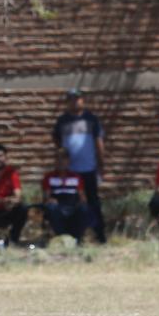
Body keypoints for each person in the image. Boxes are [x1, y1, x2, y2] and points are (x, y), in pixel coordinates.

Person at [52, 88, 107, 243]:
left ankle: (100, 235)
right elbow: (57, 141)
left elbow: (99, 143)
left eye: (78, 98)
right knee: (72, 205)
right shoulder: (62, 121)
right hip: (69, 172)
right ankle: (76, 237)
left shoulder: (92, 119)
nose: (75, 102)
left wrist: (101, 164)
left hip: (88, 169)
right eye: (71, 99)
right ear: (67, 102)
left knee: (93, 202)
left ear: (83, 100)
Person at [39, 147, 87, 244]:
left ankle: (77, 238)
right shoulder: (49, 177)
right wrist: (51, 200)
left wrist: (80, 203)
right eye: (58, 158)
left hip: (72, 208)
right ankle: (61, 237)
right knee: (51, 208)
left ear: (68, 161)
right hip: (57, 209)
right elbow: (46, 198)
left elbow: (83, 198)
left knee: (84, 209)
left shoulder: (76, 177)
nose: (61, 161)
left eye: (64, 158)